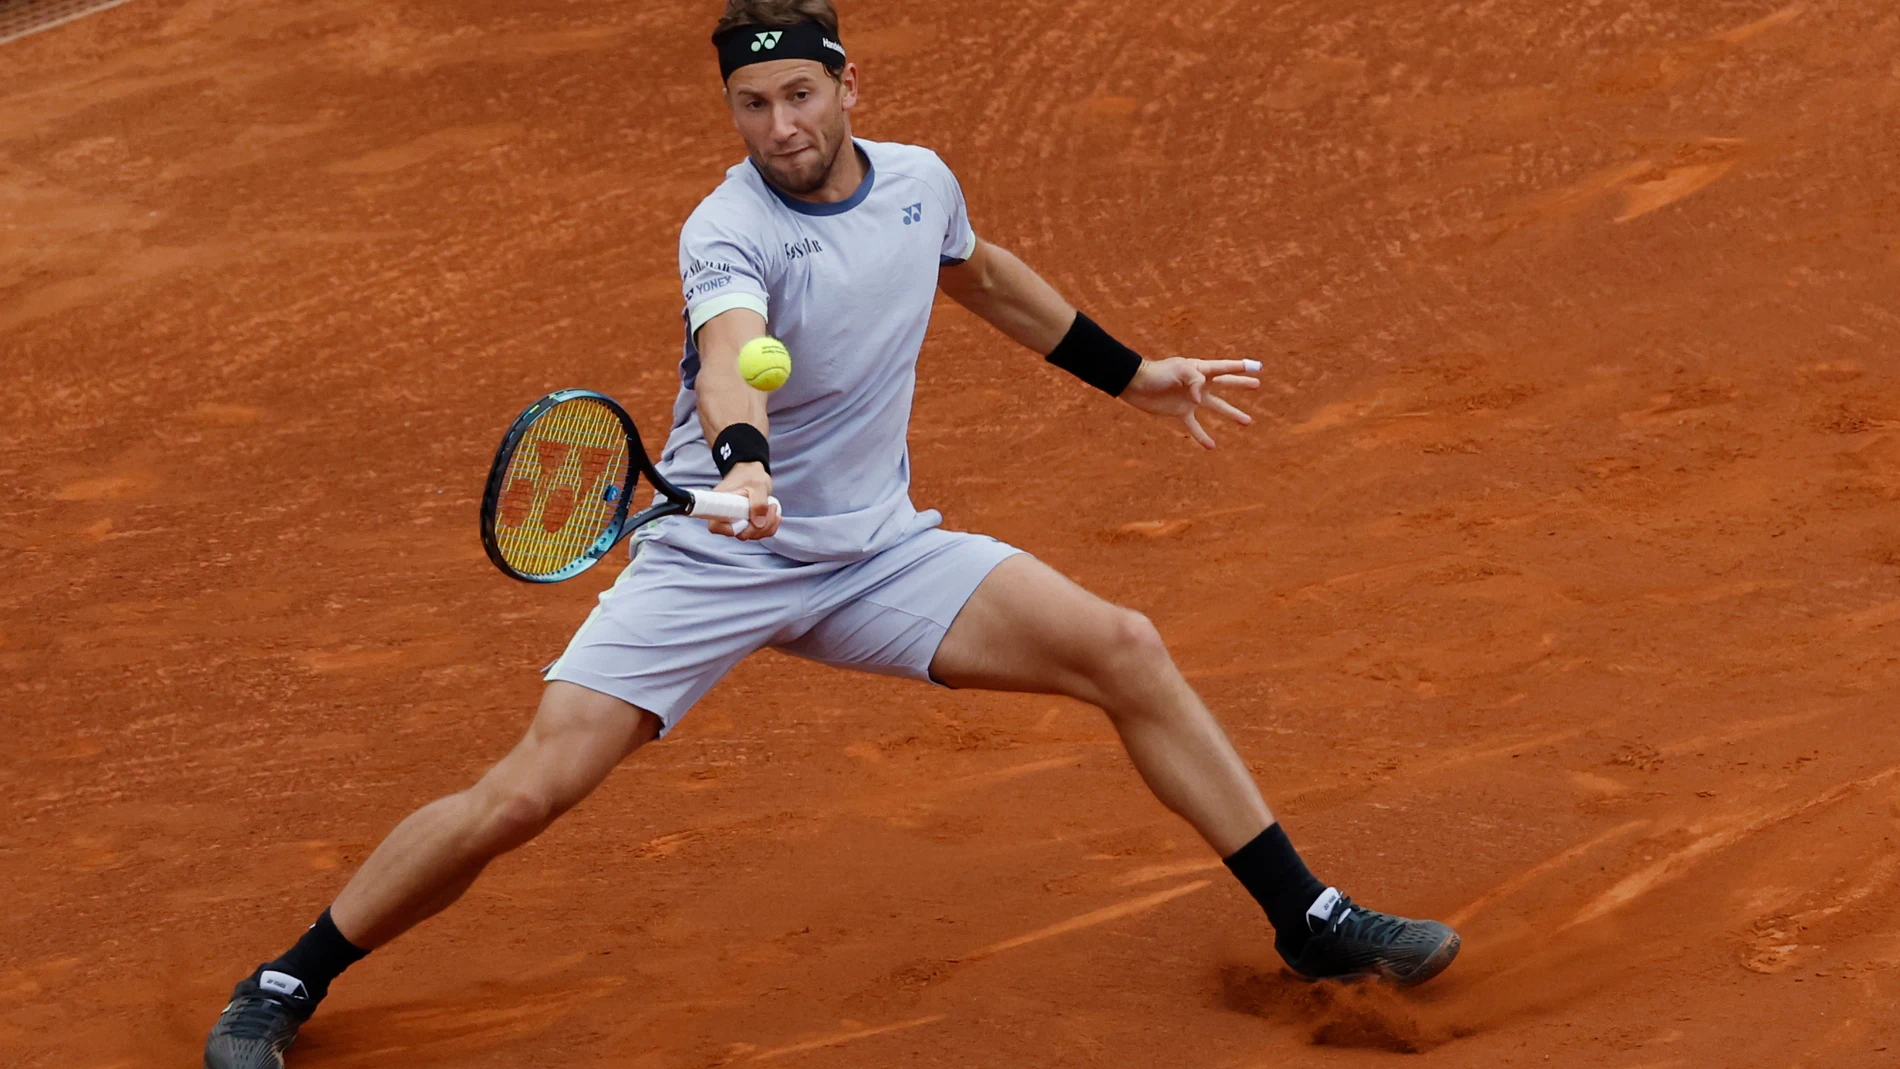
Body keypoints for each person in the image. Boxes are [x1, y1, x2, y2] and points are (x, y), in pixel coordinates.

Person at [203, 2, 1458, 1065]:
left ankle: (1307, 918)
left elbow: (983, 275)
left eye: (798, 96)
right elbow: (727, 357)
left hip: (873, 551)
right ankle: (285, 980)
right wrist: (743, 464)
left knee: (1122, 646)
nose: (778, 128)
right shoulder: (727, 227)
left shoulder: (918, 183)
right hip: (716, 556)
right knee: (524, 792)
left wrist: (1132, 375)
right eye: (751, 106)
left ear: (850, 85)